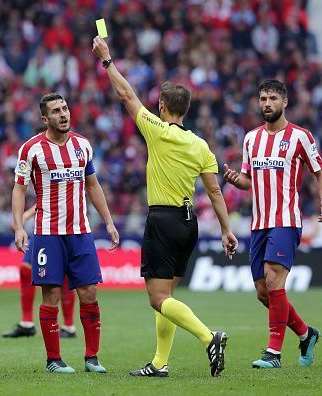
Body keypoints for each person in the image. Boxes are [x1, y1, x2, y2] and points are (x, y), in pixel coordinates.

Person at [92, 36, 237, 378]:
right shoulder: (201, 145)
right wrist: (227, 230)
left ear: (162, 107)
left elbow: (126, 94)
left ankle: (208, 337)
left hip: (163, 220)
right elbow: (215, 192)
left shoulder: (158, 131)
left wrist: (108, 60)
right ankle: (160, 363)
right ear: (186, 109)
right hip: (190, 224)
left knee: (158, 298)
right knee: (167, 296)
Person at [223, 79, 322, 369]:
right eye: (262, 98)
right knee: (262, 291)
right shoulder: (250, 139)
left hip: (286, 220)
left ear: (285, 102)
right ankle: (307, 334)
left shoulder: (300, 136)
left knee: (273, 280)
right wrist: (237, 180)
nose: (266, 103)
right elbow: (248, 180)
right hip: (259, 224)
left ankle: (273, 353)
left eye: (272, 98)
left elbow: (320, 172)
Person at [12, 92, 120, 374]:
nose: (63, 114)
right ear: (45, 118)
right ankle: (53, 360)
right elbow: (19, 189)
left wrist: (108, 221)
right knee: (51, 296)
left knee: (90, 293)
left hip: (80, 232)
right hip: (47, 234)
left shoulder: (83, 146)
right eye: (56, 111)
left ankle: (92, 357)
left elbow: (93, 185)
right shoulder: (30, 149)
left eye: (65, 108)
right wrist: (18, 226)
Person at [3, 204, 77, 339]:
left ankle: (69, 326)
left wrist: (25, 216)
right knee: (26, 269)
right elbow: (47, 196)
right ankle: (27, 323)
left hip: (68, 226)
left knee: (65, 274)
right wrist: (24, 217)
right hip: (45, 227)